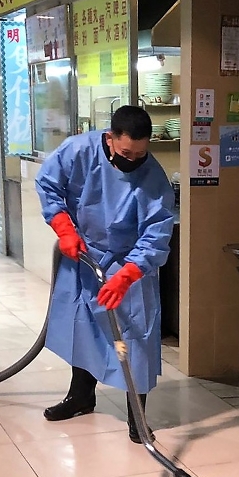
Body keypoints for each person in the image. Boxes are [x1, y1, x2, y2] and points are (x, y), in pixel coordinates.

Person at [35, 106, 175, 443]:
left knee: (135, 337)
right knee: (82, 327)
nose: (133, 161)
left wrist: (128, 275)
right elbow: (48, 183)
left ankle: (137, 417)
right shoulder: (78, 151)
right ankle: (81, 396)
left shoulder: (153, 178)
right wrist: (63, 228)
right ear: (110, 138)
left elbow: (156, 232)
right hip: (84, 253)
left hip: (129, 262)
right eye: (126, 153)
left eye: (140, 154)